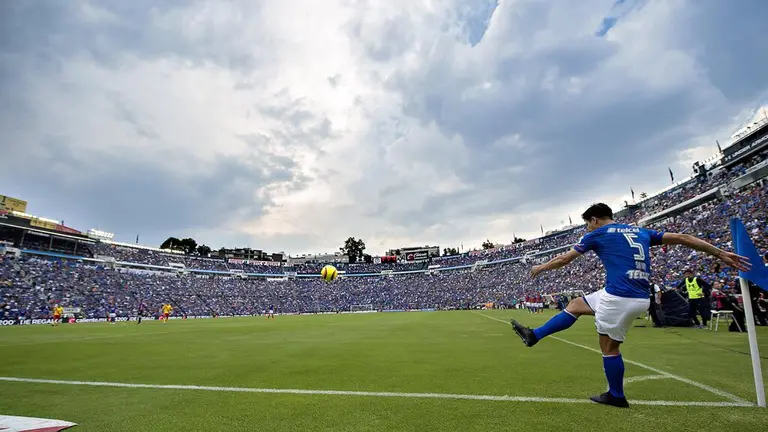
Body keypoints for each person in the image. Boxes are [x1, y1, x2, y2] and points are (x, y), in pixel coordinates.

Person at [510, 203, 749, 408]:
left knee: (609, 348)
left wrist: (540, 268)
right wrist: (719, 253)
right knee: (575, 304)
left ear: (594, 220)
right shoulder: (640, 231)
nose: (588, 228)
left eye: (587, 224)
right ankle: (535, 335)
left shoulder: (597, 234)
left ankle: (616, 395)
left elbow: (565, 258)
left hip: (619, 298)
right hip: (634, 294)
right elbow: (683, 238)